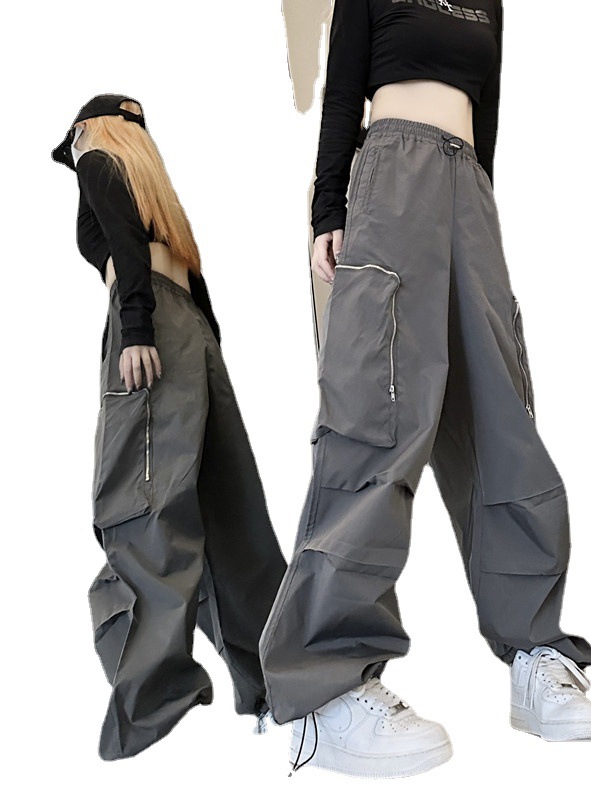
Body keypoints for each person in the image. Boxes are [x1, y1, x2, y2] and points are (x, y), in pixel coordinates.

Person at [260, 0, 591, 777]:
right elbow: (342, 91)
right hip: (390, 179)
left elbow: (490, 119)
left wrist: (478, 217)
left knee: (500, 419)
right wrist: (327, 208)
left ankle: (534, 652)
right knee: (377, 415)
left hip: (470, 193)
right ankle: (326, 688)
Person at [52, 94, 288, 761]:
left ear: (89, 130)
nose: (73, 153)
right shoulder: (158, 195)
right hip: (193, 339)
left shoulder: (96, 158)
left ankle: (152, 696)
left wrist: (134, 328)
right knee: (232, 521)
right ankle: (283, 681)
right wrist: (203, 363)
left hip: (151, 330)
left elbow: (123, 249)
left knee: (140, 508)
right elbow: (196, 291)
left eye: (74, 140)